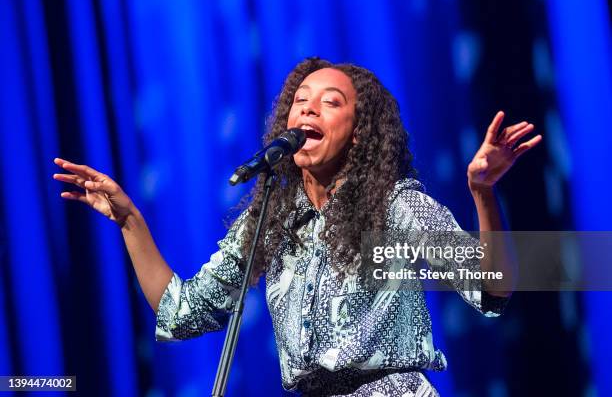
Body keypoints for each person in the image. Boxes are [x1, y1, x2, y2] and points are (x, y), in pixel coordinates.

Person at [53, 57, 541, 396]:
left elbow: (492, 288)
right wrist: (129, 220)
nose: (308, 108)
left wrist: (482, 192)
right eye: (301, 99)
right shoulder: (271, 219)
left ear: (359, 133)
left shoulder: (396, 208)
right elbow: (183, 311)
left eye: (330, 103)